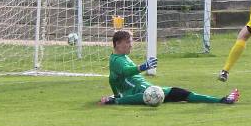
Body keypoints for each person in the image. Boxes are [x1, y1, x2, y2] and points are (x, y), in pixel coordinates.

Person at [99, 29, 239, 106]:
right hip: (141, 94)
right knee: (142, 96)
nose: (131, 45)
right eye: (128, 42)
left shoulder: (122, 57)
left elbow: (112, 80)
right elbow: (125, 72)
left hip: (151, 90)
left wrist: (114, 95)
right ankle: (118, 102)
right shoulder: (116, 60)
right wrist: (143, 67)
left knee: (180, 92)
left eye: (131, 42)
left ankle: (222, 100)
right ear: (117, 43)